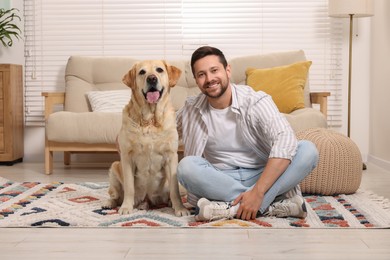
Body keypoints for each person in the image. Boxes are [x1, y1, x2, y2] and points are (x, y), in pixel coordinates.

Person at [176, 46, 319, 222]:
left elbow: (285, 139)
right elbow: (162, 132)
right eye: (201, 74)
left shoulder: (255, 100)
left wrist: (258, 192)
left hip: (262, 174)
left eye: (214, 70)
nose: (209, 79)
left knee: (308, 150)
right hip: (219, 179)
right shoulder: (191, 108)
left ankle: (234, 208)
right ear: (196, 80)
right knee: (186, 167)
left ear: (227, 70)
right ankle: (267, 206)